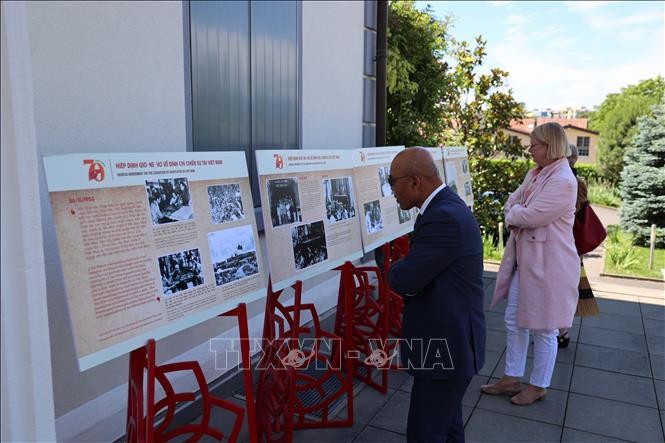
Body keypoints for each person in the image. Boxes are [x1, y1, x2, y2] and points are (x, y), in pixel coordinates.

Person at [388, 147, 486, 442]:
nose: (391, 190)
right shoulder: (445, 208)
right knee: (448, 428)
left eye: (393, 182)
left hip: (446, 349)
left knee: (425, 432)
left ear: (415, 182)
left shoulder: (443, 217)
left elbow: (405, 278)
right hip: (449, 345)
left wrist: (393, 268)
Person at [481, 122, 579, 406]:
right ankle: (511, 378)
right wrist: (516, 209)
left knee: (544, 327)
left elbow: (529, 216)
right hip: (527, 263)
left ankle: (538, 386)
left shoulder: (562, 180)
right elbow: (512, 203)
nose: (530, 150)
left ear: (548, 146)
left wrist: (516, 211)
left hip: (549, 266)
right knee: (514, 320)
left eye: (534, 145)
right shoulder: (536, 173)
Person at [557, 144, 600, 347]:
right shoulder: (578, 181)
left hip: (565, 242)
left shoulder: (567, 182)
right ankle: (562, 332)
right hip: (573, 245)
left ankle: (561, 332)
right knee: (570, 288)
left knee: (563, 289)